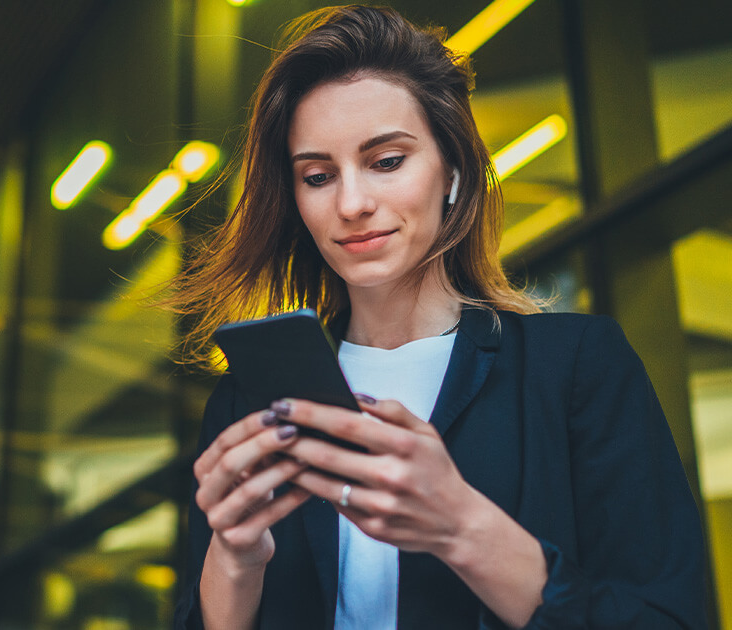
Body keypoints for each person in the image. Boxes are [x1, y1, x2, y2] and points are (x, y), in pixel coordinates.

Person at [169, 5, 707, 629]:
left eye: (387, 161)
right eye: (318, 176)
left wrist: (461, 527)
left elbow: (666, 618)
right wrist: (236, 560)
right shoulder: (251, 405)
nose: (351, 203)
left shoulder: (576, 368)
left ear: (452, 169)